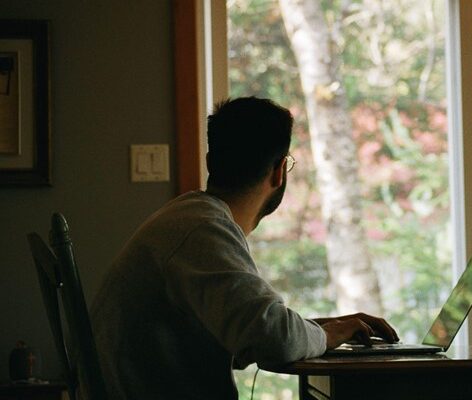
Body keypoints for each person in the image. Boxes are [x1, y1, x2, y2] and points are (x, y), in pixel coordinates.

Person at [89, 96, 399, 399]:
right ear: (278, 172)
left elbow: (250, 328)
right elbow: (274, 340)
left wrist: (322, 329)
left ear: (211, 162)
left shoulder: (188, 218)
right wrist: (328, 335)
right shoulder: (203, 229)